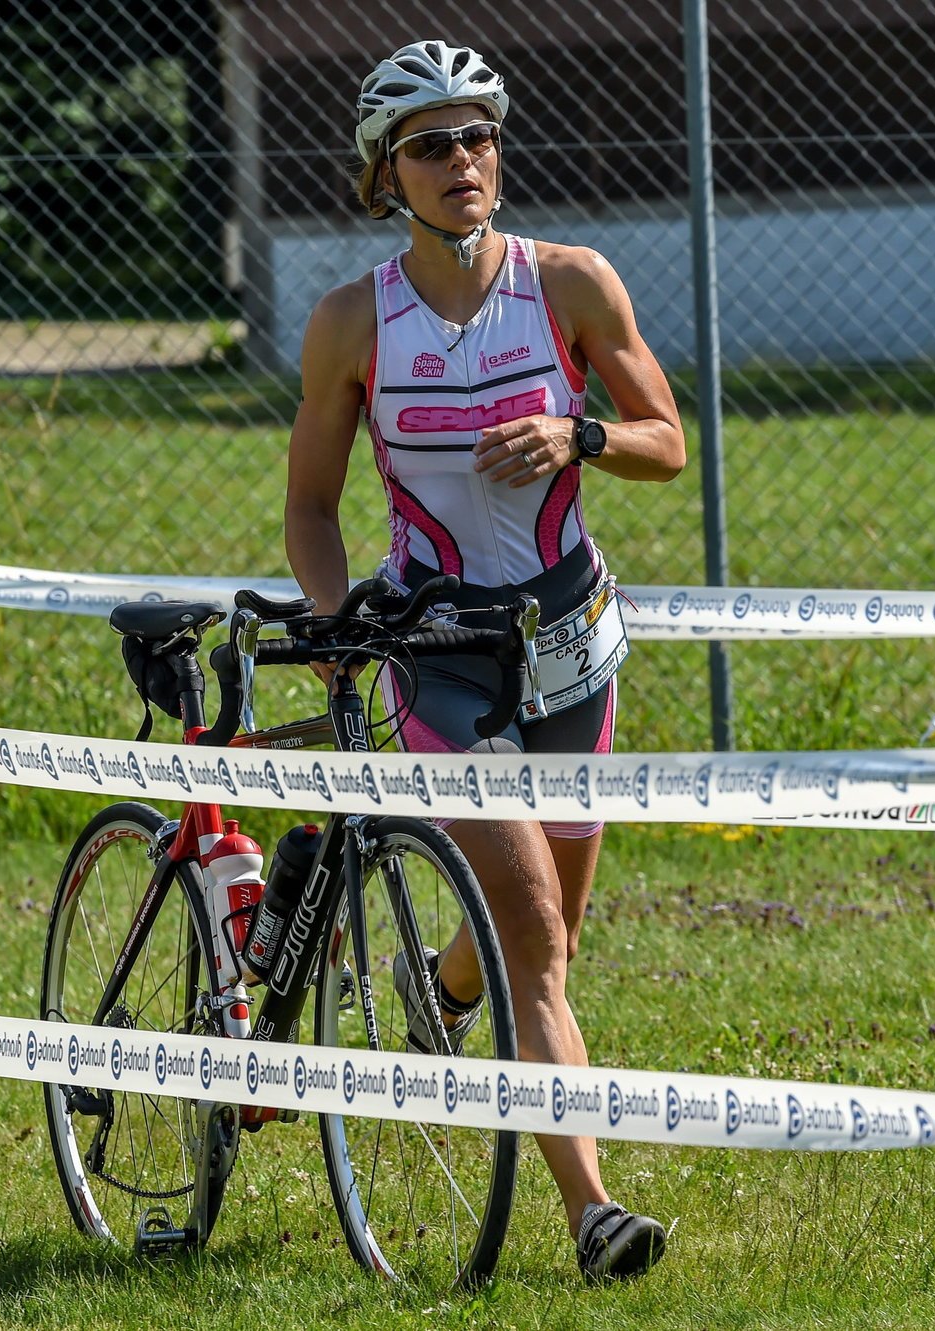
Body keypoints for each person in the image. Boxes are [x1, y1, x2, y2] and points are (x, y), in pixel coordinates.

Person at [284, 39, 687, 1283]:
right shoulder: (353, 320)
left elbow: (666, 441)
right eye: (429, 144)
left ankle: (436, 986)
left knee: (549, 924)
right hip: (439, 652)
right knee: (536, 942)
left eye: (476, 136)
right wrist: (340, 609)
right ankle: (591, 1211)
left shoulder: (569, 284)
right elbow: (310, 505)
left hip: (571, 643)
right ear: (382, 175)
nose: (462, 161)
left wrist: (579, 434)